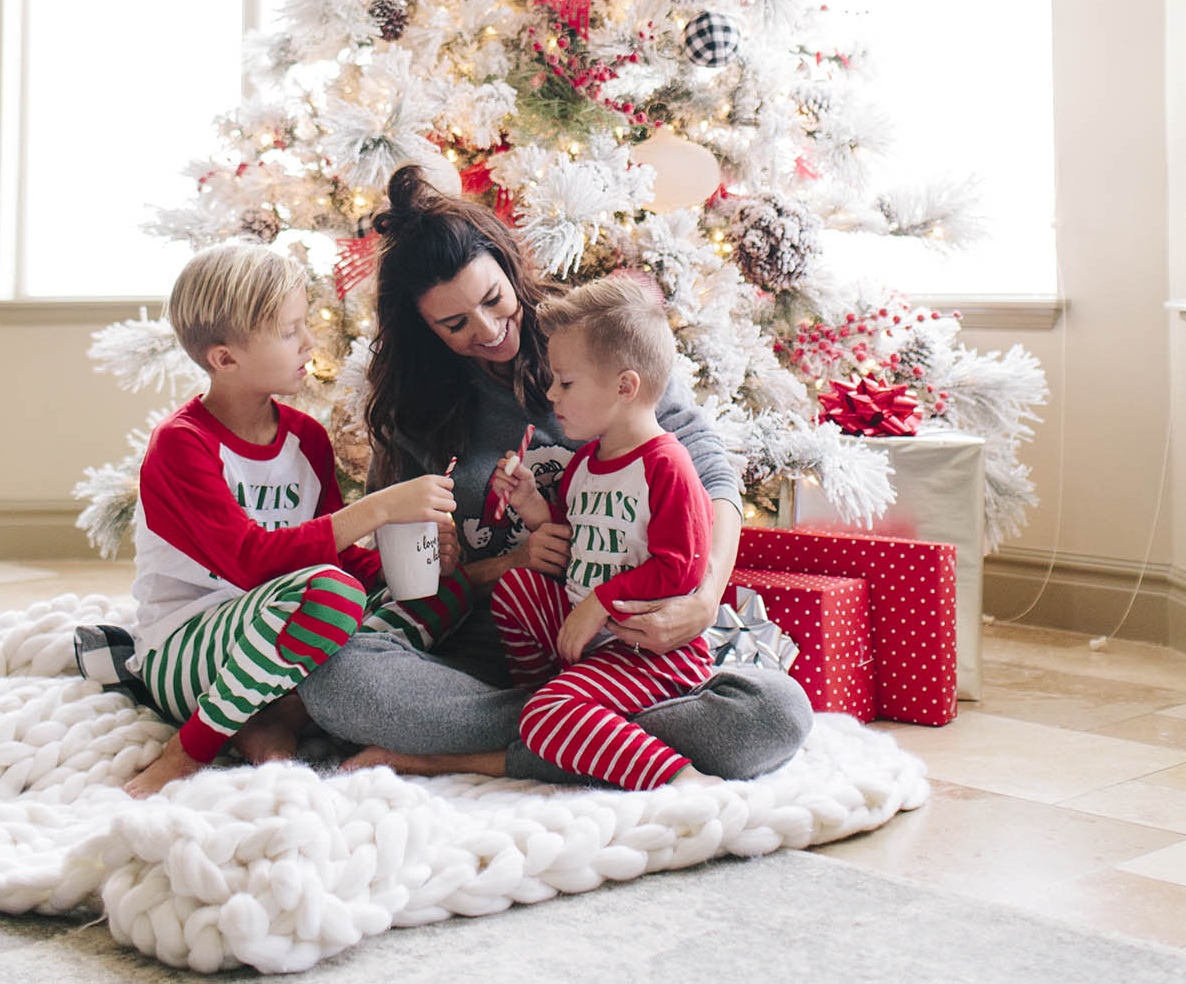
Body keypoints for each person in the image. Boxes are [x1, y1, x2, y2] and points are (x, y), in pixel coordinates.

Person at [300, 163, 811, 782]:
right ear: (424, 330)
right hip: (491, 660)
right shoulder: (417, 412)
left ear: (509, 269)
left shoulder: (595, 341)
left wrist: (704, 600)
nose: (489, 330)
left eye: (494, 300)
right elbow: (401, 576)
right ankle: (580, 729)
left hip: (626, 652)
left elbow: (711, 474)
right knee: (338, 680)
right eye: (455, 324)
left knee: (773, 713)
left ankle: (485, 751)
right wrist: (484, 566)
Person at [118, 240, 467, 798]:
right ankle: (190, 748)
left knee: (438, 594)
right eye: (289, 331)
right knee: (329, 596)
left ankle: (280, 715)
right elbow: (250, 562)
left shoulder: (306, 438)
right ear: (224, 359)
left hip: (287, 628)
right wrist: (379, 508)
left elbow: (336, 557)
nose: (309, 342)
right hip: (188, 651)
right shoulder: (182, 444)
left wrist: (403, 566)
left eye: (305, 324)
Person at [489, 275, 719, 789]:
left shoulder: (667, 465)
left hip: (650, 652)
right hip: (593, 638)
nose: (551, 394)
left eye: (566, 383)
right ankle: (561, 701)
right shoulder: (585, 463)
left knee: (544, 720)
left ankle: (681, 779)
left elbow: (680, 569)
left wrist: (599, 604)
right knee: (516, 589)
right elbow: (579, 543)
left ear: (624, 386)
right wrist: (533, 508)